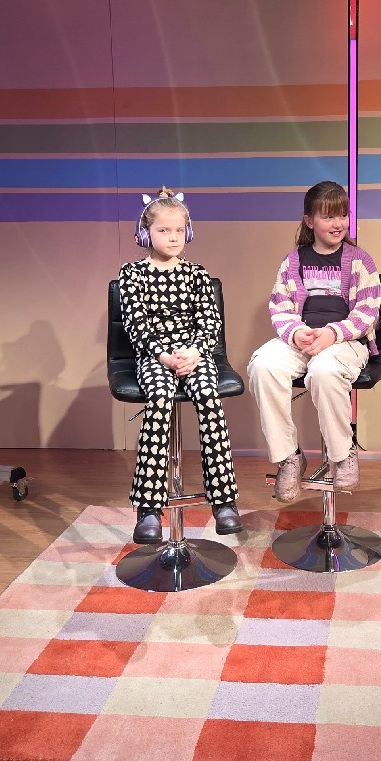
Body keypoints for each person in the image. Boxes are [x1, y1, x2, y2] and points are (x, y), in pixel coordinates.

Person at [117, 187, 242, 544]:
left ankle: (224, 500)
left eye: (178, 230)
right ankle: (149, 508)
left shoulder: (197, 274)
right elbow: (136, 324)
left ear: (187, 231)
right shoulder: (132, 275)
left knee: (208, 398)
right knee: (159, 399)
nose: (172, 237)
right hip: (154, 355)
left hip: (193, 353)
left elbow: (209, 323)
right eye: (163, 230)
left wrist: (195, 352)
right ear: (145, 233)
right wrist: (163, 356)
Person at [247, 181, 381, 502]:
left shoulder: (360, 261)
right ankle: (288, 457)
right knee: (263, 366)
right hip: (302, 338)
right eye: (328, 217)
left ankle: (342, 453)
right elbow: (280, 307)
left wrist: (332, 334)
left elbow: (368, 312)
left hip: (346, 341)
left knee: (324, 371)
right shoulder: (293, 261)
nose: (337, 224)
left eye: (342, 215)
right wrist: (297, 333)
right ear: (309, 221)